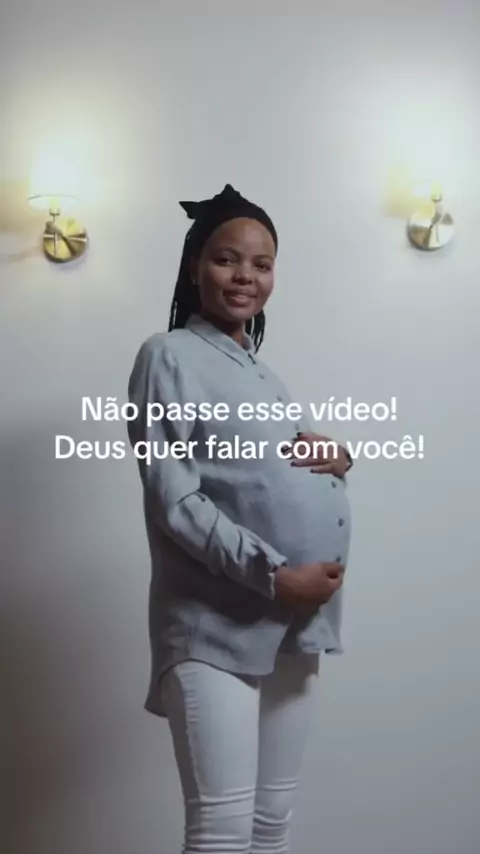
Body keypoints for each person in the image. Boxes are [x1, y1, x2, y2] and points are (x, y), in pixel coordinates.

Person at [127, 183, 353, 854]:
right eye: (227, 259)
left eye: (262, 264)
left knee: (270, 822)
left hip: (295, 627)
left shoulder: (260, 373)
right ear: (195, 265)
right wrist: (276, 575)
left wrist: (339, 460)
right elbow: (174, 499)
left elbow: (273, 471)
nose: (245, 276)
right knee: (222, 831)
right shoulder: (168, 355)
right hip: (216, 624)